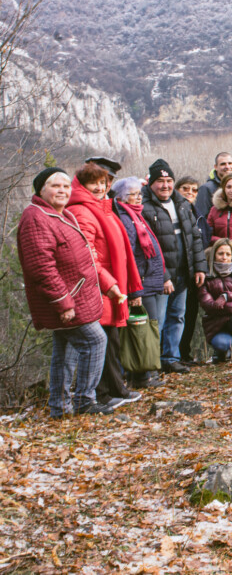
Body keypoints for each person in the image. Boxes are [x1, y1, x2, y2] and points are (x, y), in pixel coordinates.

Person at [19, 168, 111, 417]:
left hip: (75, 295)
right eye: (54, 186)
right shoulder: (35, 217)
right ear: (41, 190)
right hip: (66, 299)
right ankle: (84, 400)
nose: (62, 190)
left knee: (66, 350)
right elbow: (41, 267)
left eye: (66, 186)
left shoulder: (62, 214)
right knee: (95, 341)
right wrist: (63, 303)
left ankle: (60, 408)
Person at [67, 163, 143, 408]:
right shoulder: (82, 211)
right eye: (94, 183)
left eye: (103, 183)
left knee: (111, 338)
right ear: (81, 185)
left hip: (113, 284)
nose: (100, 187)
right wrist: (110, 284)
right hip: (100, 287)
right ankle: (102, 393)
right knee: (103, 341)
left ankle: (113, 388)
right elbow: (89, 256)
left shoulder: (102, 207)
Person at [142, 159, 207, 374]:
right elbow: (147, 247)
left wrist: (199, 267)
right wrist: (163, 276)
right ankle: (152, 363)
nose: (165, 185)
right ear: (151, 183)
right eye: (160, 181)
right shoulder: (145, 207)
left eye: (169, 180)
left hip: (183, 274)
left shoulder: (182, 204)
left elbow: (195, 238)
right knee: (157, 321)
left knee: (177, 316)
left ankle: (171, 357)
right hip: (160, 277)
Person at [111, 177, 167, 390]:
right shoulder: (126, 218)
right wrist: (136, 288)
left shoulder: (135, 214)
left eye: (138, 193)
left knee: (147, 327)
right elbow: (131, 255)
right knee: (142, 329)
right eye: (132, 194)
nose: (137, 197)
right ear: (120, 197)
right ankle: (142, 375)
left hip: (147, 281)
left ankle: (146, 373)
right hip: (140, 284)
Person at [175, 175, 206, 364]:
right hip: (180, 270)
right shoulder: (175, 210)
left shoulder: (197, 212)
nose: (190, 193)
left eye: (194, 190)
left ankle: (184, 353)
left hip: (195, 270)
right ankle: (174, 354)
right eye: (185, 188)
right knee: (177, 314)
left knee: (191, 313)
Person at [194, 152, 232, 225]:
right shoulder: (206, 189)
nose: (227, 166)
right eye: (223, 164)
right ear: (215, 167)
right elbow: (201, 218)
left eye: (230, 163)